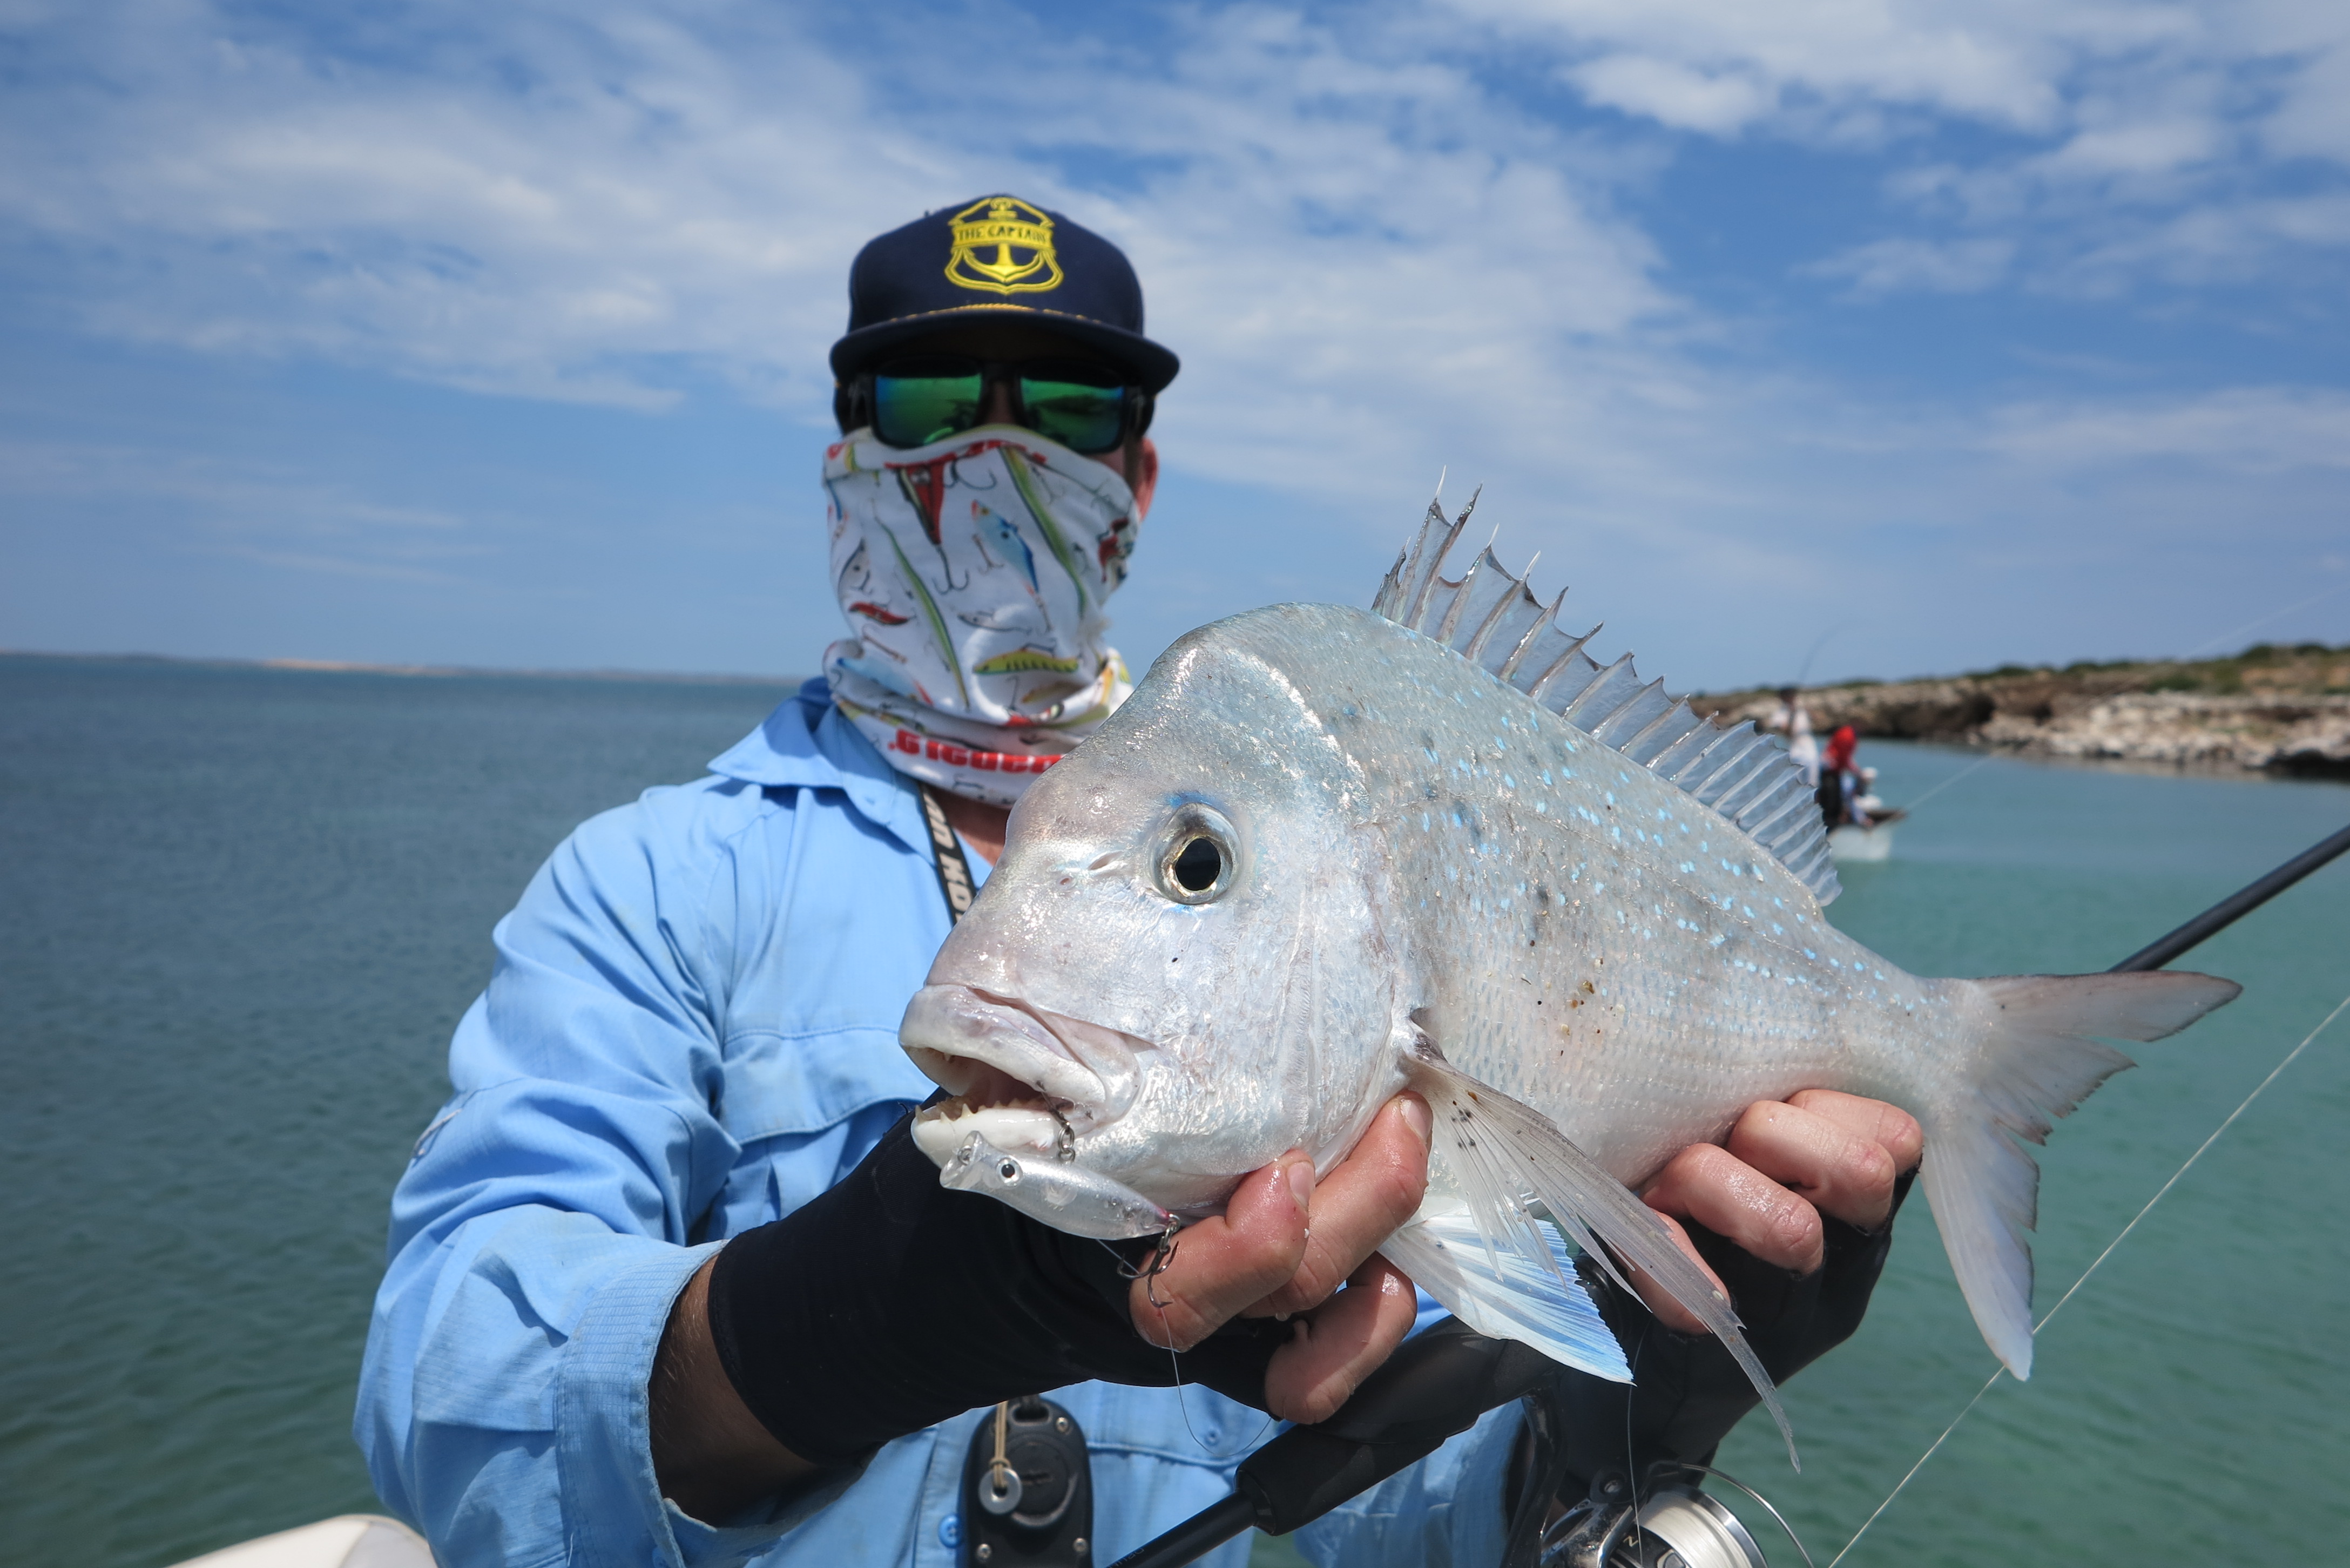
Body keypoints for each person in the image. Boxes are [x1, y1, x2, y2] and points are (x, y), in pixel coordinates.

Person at [356, 195, 1923, 1568]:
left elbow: (1405, 1513)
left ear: (1140, 477)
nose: (998, 454)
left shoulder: (1328, 858)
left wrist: (1624, 1409)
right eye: (922, 399)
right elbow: (443, 1394)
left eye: (1066, 408)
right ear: (846, 460)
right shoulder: (652, 880)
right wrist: (852, 1314)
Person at [1766, 685, 1820, 788]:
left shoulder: (1802, 709)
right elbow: (1787, 734)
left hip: (1811, 751)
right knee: (1798, 785)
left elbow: (1818, 721)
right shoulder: (1779, 714)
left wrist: (1807, 710)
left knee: (1813, 784)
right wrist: (1792, 716)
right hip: (1795, 752)